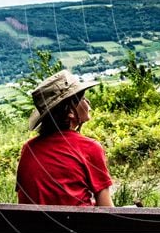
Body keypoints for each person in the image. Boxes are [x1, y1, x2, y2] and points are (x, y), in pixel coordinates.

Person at [16, 69, 114, 206]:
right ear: (70, 112)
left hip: (33, 226)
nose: (88, 103)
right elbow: (107, 210)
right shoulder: (90, 148)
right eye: (82, 98)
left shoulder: (29, 149)